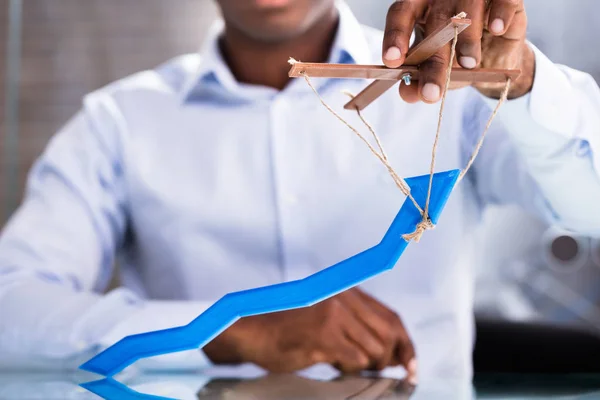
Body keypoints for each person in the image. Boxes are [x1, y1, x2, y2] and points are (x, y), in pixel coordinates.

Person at [0, 0, 598, 381]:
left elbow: (589, 211)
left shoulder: (456, 90)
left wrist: (525, 83)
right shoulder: (119, 122)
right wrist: (231, 329)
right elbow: (11, 312)